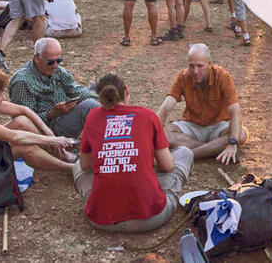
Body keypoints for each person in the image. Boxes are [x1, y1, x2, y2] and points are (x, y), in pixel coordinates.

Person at [74, 72, 194, 232]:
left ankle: (97, 196)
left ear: (99, 96)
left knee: (77, 166)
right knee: (184, 153)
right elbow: (166, 166)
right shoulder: (147, 115)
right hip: (149, 218)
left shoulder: (93, 117)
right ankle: (150, 186)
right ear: (126, 90)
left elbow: (85, 165)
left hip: (101, 219)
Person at [156, 43, 247, 162]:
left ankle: (190, 154)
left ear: (209, 64)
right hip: (191, 125)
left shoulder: (222, 77)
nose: (195, 71)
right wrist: (152, 135)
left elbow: (235, 112)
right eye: (191, 66)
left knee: (241, 135)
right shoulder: (183, 76)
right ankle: (213, 149)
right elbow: (166, 107)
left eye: (200, 66)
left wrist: (233, 143)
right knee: (164, 134)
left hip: (218, 126)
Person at [8, 37, 100, 139]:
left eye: (59, 60)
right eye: (51, 62)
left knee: (99, 88)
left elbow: (74, 90)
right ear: (37, 58)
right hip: (45, 130)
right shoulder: (23, 82)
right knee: (90, 105)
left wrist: (104, 99)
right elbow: (23, 122)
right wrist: (51, 114)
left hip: (61, 117)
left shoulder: (55, 70)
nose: (56, 66)